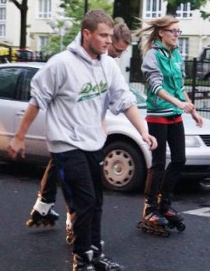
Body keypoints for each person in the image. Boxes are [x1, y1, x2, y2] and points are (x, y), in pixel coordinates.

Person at [7, 10, 156, 271]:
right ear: (86, 34)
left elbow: (125, 101)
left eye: (109, 36)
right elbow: (37, 101)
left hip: (93, 143)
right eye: (102, 35)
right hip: (66, 146)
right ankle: (81, 267)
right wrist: (19, 136)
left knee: (96, 202)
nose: (107, 41)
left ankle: (95, 254)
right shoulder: (61, 65)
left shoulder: (107, 66)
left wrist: (142, 131)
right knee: (84, 202)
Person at [24, 20, 133, 243]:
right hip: (71, 134)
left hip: (90, 135)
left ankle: (49, 210)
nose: (118, 54)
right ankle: (79, 242)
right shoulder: (72, 63)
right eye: (117, 48)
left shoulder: (106, 64)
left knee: (88, 192)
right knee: (79, 186)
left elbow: (114, 99)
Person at [134, 15, 203, 236]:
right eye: (173, 31)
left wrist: (193, 111)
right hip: (157, 115)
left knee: (180, 159)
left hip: (175, 115)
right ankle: (150, 207)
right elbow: (155, 87)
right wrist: (178, 103)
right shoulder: (152, 55)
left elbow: (180, 86)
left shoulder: (176, 56)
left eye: (178, 31)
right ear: (161, 33)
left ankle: (165, 204)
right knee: (159, 162)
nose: (177, 35)